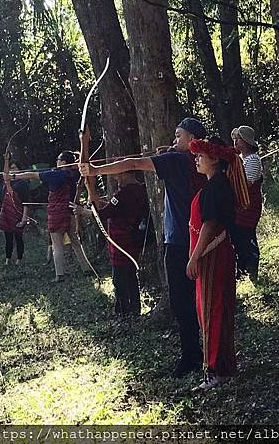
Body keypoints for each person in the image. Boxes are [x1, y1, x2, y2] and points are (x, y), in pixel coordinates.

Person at [80, 117, 207, 378]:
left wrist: (93, 171)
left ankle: (191, 357)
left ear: (192, 139)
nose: (174, 140)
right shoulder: (201, 162)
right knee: (196, 299)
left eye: (179, 136)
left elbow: (134, 163)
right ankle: (203, 352)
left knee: (181, 302)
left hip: (181, 242)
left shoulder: (176, 161)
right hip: (200, 241)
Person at [186, 136, 249, 390]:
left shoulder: (216, 187)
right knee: (216, 308)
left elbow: (209, 226)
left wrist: (194, 258)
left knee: (212, 310)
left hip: (213, 254)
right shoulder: (216, 184)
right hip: (218, 253)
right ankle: (223, 366)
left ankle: (213, 369)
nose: (197, 159)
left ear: (214, 159)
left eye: (201, 155)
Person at [5, 151, 90, 282]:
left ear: (64, 162)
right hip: (70, 212)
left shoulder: (55, 175)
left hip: (57, 213)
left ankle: (60, 275)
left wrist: (14, 176)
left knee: (57, 245)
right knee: (75, 242)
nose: (56, 161)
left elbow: (32, 174)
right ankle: (87, 269)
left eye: (58, 159)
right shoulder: (74, 173)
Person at [73, 171, 149, 315]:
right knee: (131, 276)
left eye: (118, 174)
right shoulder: (139, 189)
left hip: (122, 243)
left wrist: (81, 211)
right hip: (132, 240)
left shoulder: (124, 194)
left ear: (126, 174)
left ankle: (123, 312)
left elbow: (103, 214)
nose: (115, 178)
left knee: (120, 279)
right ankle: (134, 309)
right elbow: (114, 209)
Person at [231, 126, 263, 279]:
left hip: (249, 206)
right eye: (235, 138)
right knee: (238, 236)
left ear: (248, 142)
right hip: (240, 206)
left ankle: (251, 268)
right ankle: (243, 269)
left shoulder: (252, 160)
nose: (236, 141)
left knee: (246, 235)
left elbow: (246, 184)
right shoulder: (242, 160)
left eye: (239, 138)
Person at [0, 161, 30, 265]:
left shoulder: (23, 183)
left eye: (15, 168)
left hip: (18, 213)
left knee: (18, 237)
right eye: (11, 168)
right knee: (8, 238)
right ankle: (8, 259)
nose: (12, 170)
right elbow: (0, 200)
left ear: (19, 170)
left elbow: (26, 202)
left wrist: (24, 218)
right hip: (7, 212)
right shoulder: (5, 184)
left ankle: (19, 259)